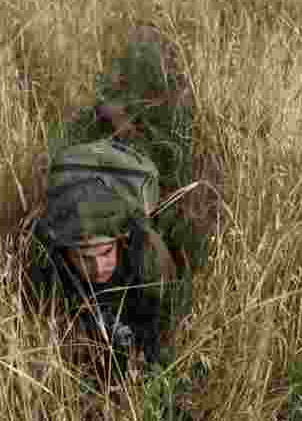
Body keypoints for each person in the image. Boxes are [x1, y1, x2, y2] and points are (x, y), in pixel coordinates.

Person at [27, 135, 197, 374]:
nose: (98, 267)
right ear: (65, 254)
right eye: (84, 258)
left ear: (122, 242)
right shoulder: (50, 266)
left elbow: (166, 317)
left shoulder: (148, 259)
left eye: (106, 252)